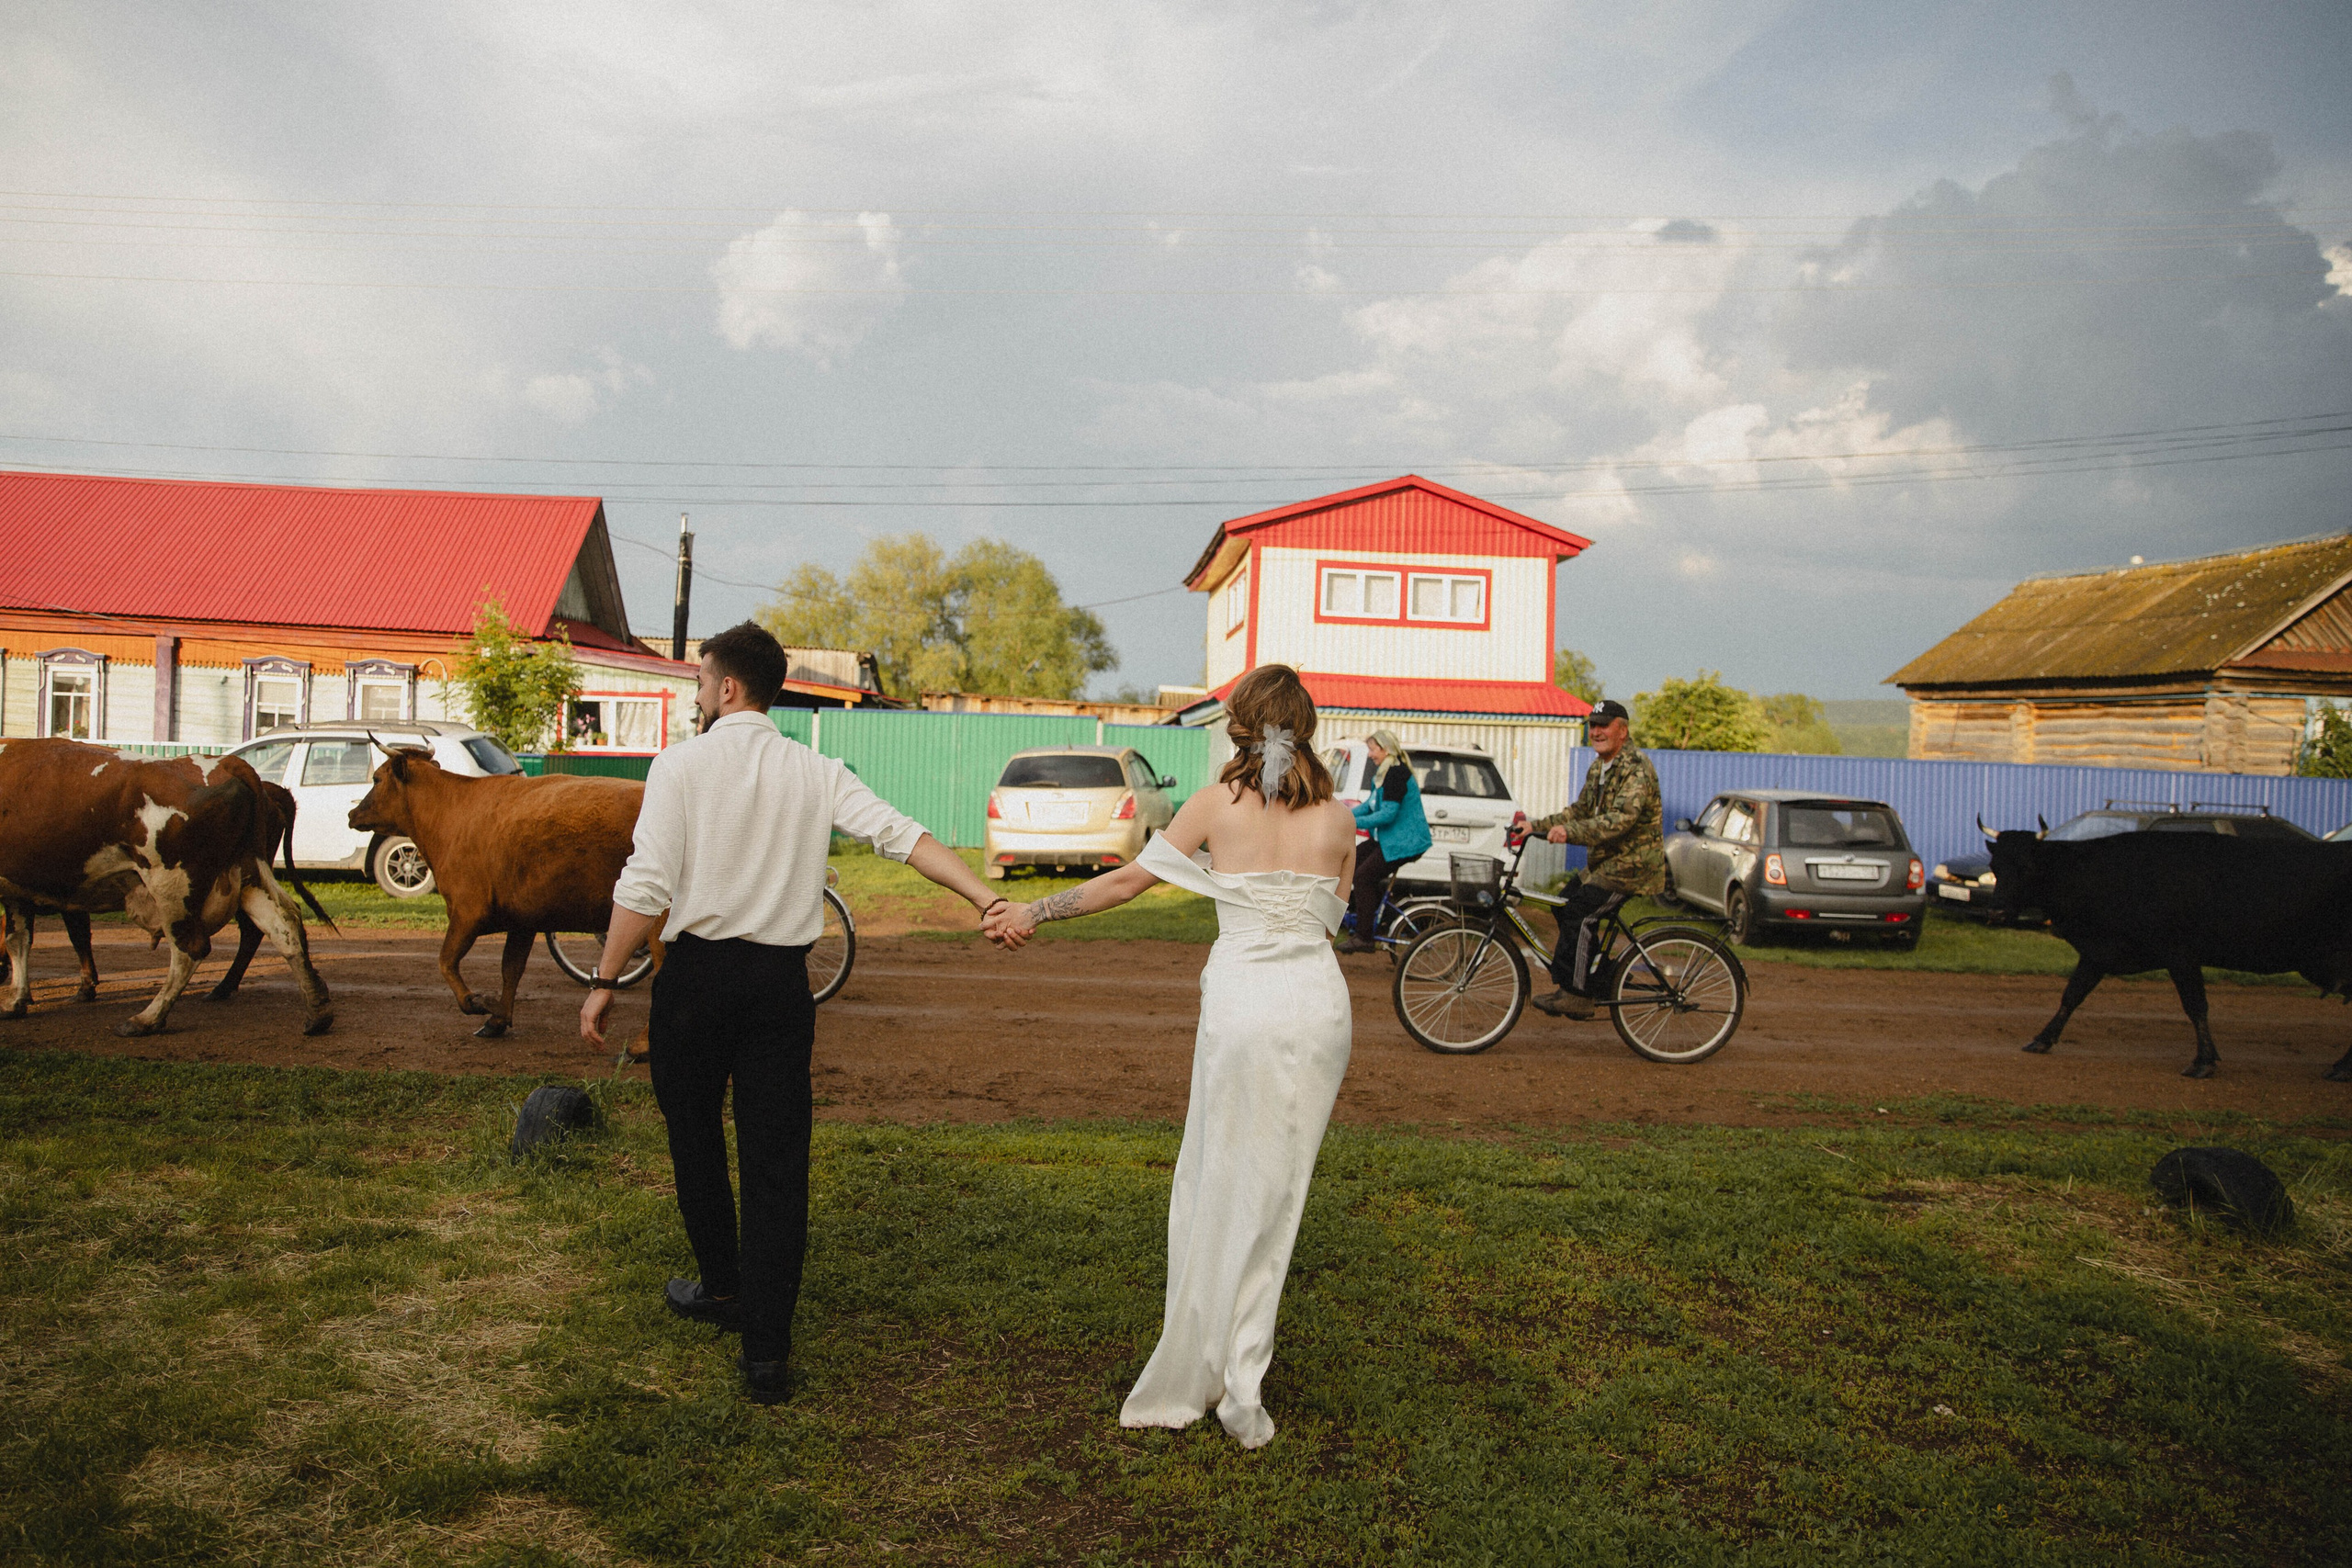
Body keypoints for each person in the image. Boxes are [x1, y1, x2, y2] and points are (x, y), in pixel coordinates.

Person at [579, 620, 1012, 1404]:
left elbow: (645, 882)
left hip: (699, 981)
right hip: (782, 988)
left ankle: (720, 1287)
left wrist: (606, 977)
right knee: (778, 1161)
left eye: (703, 682)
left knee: (694, 1131)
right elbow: (902, 835)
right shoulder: (818, 770)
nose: (700, 695)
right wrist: (986, 895)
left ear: (729, 687)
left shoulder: (677, 766)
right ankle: (766, 1354)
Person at [984, 663, 1356, 1449]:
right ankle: (1242, 1377)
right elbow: (1328, 926)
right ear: (1307, 727)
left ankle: (1201, 1365)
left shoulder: (1215, 804)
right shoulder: (1341, 817)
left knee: (1216, 1179)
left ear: (1241, 726)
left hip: (1244, 1003)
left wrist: (1035, 909)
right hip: (1317, 1011)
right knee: (1278, 1198)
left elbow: (1122, 884)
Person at [1529, 698, 1667, 1020]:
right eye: (1592, 725)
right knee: (1563, 903)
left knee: (1581, 912)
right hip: (1607, 863)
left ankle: (1578, 995)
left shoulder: (1636, 768)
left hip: (1632, 865)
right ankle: (1593, 975)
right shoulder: (1599, 766)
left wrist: (1569, 832)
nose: (1596, 731)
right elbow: (1578, 811)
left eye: (1604, 725)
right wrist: (1535, 826)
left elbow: (1621, 819)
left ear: (1622, 730)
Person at [1335, 729, 1429, 954]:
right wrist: (1344, 816)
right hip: (1387, 840)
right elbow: (1369, 805)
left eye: (1372, 750)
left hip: (1403, 843)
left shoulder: (1396, 774)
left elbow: (1387, 814)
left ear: (1386, 750)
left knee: (1363, 877)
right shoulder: (1384, 773)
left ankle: (1365, 937)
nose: (1370, 755)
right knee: (1352, 866)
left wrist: (1354, 824)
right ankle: (1374, 919)